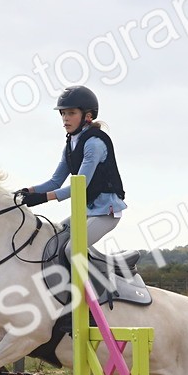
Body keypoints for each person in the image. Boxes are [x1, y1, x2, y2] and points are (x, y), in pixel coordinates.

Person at [17, 85, 127, 257]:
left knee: (71, 249)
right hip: (87, 211)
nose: (65, 119)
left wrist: (43, 198)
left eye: (71, 113)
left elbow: (79, 187)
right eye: (63, 113)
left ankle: (105, 281)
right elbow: (55, 182)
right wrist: (26, 192)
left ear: (88, 116)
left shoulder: (94, 143)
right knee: (53, 241)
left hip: (107, 212)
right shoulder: (70, 145)